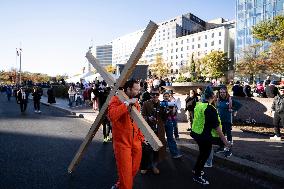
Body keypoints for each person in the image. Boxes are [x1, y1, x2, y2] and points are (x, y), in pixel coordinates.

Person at [190, 86, 231, 185]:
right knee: (205, 155)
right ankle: (197, 175)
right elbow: (217, 128)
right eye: (215, 95)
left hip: (197, 134)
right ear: (212, 96)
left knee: (202, 153)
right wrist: (225, 142)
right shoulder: (209, 109)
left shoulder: (199, 105)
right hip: (204, 136)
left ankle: (196, 169)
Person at [108, 80, 144, 189]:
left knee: (134, 169)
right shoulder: (116, 99)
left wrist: (141, 137)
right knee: (126, 175)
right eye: (136, 89)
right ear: (128, 89)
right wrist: (126, 104)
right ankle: (123, 185)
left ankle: (120, 184)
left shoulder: (136, 102)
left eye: (139, 89)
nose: (138, 92)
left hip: (136, 142)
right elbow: (112, 116)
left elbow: (138, 121)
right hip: (122, 144)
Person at [140, 88, 167, 175]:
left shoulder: (162, 104)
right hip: (148, 130)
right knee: (146, 149)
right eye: (153, 94)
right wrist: (148, 118)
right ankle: (144, 167)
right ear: (150, 95)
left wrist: (170, 111)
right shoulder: (146, 103)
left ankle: (154, 165)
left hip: (159, 130)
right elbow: (142, 116)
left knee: (157, 150)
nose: (155, 96)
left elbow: (165, 118)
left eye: (157, 94)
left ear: (159, 95)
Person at [162, 91, 182, 159]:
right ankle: (160, 154)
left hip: (169, 122)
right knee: (161, 138)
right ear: (163, 97)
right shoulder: (161, 103)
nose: (166, 97)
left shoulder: (171, 104)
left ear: (169, 97)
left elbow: (173, 114)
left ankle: (175, 153)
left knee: (170, 138)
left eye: (167, 96)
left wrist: (173, 108)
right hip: (162, 122)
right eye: (165, 96)